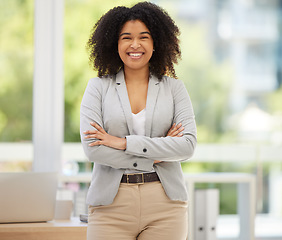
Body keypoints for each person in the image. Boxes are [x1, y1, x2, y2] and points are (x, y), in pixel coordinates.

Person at [80, 2, 197, 240]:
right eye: (126, 38)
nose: (135, 44)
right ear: (115, 43)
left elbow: (187, 145)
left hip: (165, 205)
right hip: (110, 206)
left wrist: (122, 143)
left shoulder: (174, 88)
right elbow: (94, 150)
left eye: (144, 37)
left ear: (156, 43)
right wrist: (157, 153)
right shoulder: (98, 88)